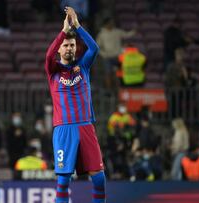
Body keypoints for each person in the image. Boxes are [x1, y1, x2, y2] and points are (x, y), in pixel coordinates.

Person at [45, 7, 105, 203]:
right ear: (59, 49)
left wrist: (77, 26)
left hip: (85, 126)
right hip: (64, 129)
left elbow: (94, 48)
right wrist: (63, 31)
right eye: (66, 45)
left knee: (98, 178)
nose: (69, 48)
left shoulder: (84, 66)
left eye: (72, 45)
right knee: (63, 181)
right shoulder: (53, 70)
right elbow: (47, 56)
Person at [96, 18, 136, 89]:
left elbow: (127, 35)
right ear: (106, 24)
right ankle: (109, 90)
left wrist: (134, 31)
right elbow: (97, 47)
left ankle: (120, 88)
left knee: (119, 73)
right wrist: (103, 54)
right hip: (107, 57)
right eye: (110, 23)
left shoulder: (117, 32)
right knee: (108, 73)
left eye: (112, 23)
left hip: (118, 56)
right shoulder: (101, 34)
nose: (111, 24)